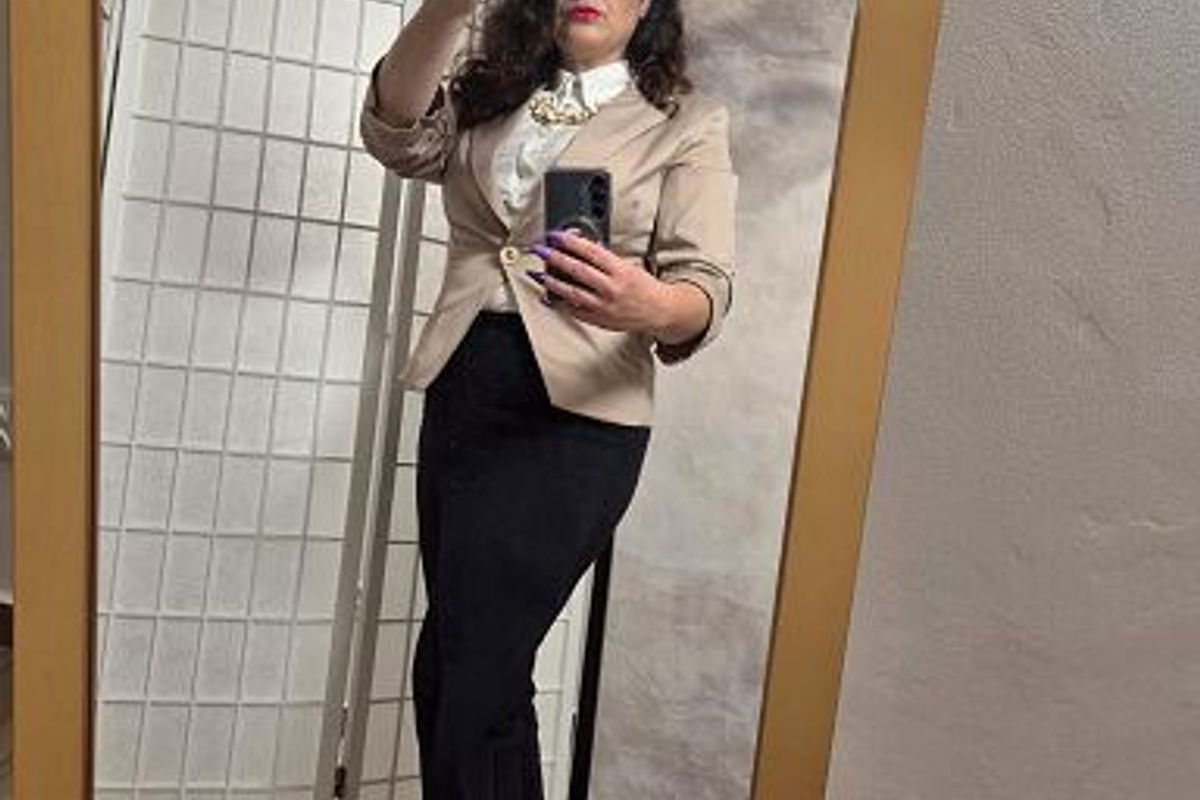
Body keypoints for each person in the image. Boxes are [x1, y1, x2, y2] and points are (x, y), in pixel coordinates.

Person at [360, 0, 737, 796]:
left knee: (473, 670)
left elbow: (705, 288)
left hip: (580, 416)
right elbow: (395, 131)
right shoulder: (491, 94)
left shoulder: (686, 124)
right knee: (464, 665)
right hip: (467, 386)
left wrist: (649, 303)